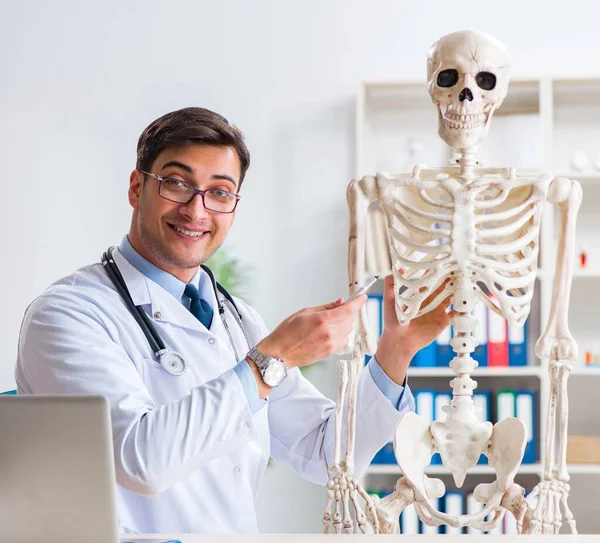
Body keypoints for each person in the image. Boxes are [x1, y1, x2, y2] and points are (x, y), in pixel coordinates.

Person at [15, 107, 451, 534]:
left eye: (219, 192)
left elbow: (325, 454)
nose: (197, 210)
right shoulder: (67, 314)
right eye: (177, 183)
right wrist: (270, 361)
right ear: (136, 188)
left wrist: (397, 347)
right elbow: (139, 461)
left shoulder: (237, 319)